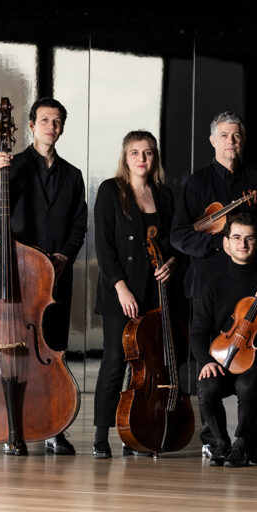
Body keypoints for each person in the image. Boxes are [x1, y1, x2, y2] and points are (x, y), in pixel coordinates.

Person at [170, 111, 257, 454]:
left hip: (251, 281)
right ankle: (213, 441)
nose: (231, 141)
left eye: (236, 136)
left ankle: (245, 441)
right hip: (208, 281)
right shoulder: (196, 183)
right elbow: (178, 235)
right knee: (207, 352)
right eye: (225, 135)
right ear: (212, 141)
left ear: (242, 141)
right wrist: (220, 243)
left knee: (250, 364)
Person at [0, 97, 86, 456]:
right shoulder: (13, 165)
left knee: (53, 350)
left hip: (56, 277)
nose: (51, 127)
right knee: (17, 351)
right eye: (45, 120)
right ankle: (13, 425)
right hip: (19, 277)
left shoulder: (73, 176)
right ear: (30, 125)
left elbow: (79, 225)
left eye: (57, 121)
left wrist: (65, 256)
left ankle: (54, 428)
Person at [91, 131, 179, 458]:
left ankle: (136, 432)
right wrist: (120, 287)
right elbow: (104, 245)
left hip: (155, 291)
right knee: (115, 361)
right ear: (125, 157)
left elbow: (172, 242)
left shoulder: (164, 194)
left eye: (148, 153)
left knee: (146, 366)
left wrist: (170, 263)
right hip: (121, 291)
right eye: (134, 153)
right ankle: (101, 436)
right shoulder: (111, 191)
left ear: (154, 158)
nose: (142, 159)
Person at [189, 212, 257, 467]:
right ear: (226, 243)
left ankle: (242, 445)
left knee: (247, 385)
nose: (243, 244)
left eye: (250, 239)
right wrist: (207, 361)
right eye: (237, 237)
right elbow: (197, 333)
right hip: (223, 357)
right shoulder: (213, 285)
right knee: (207, 387)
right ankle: (220, 443)